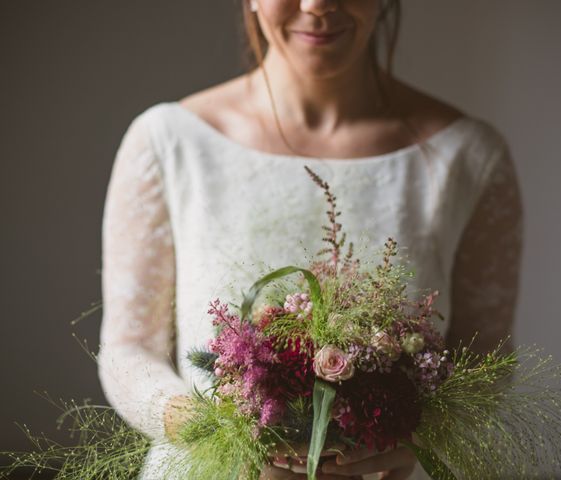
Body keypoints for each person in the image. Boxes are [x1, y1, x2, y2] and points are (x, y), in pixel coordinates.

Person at [98, 0, 524, 479]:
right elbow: (128, 350)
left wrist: (414, 439)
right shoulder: (167, 142)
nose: (316, 4)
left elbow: (485, 354)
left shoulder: (466, 157)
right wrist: (221, 434)